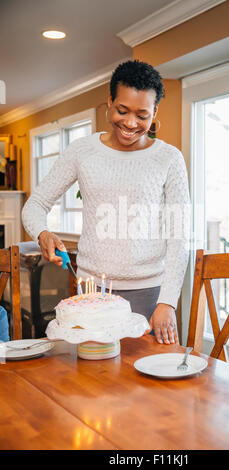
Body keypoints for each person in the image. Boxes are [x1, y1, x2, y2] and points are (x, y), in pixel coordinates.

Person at [22, 60, 190, 345]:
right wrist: (43, 232)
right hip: (90, 298)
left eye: (142, 115)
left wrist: (168, 302)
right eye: (122, 111)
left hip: (151, 297)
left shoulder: (169, 158)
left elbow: (179, 236)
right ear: (109, 101)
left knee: (149, 387)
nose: (130, 123)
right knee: (92, 384)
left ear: (155, 112)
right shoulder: (82, 151)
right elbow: (35, 205)